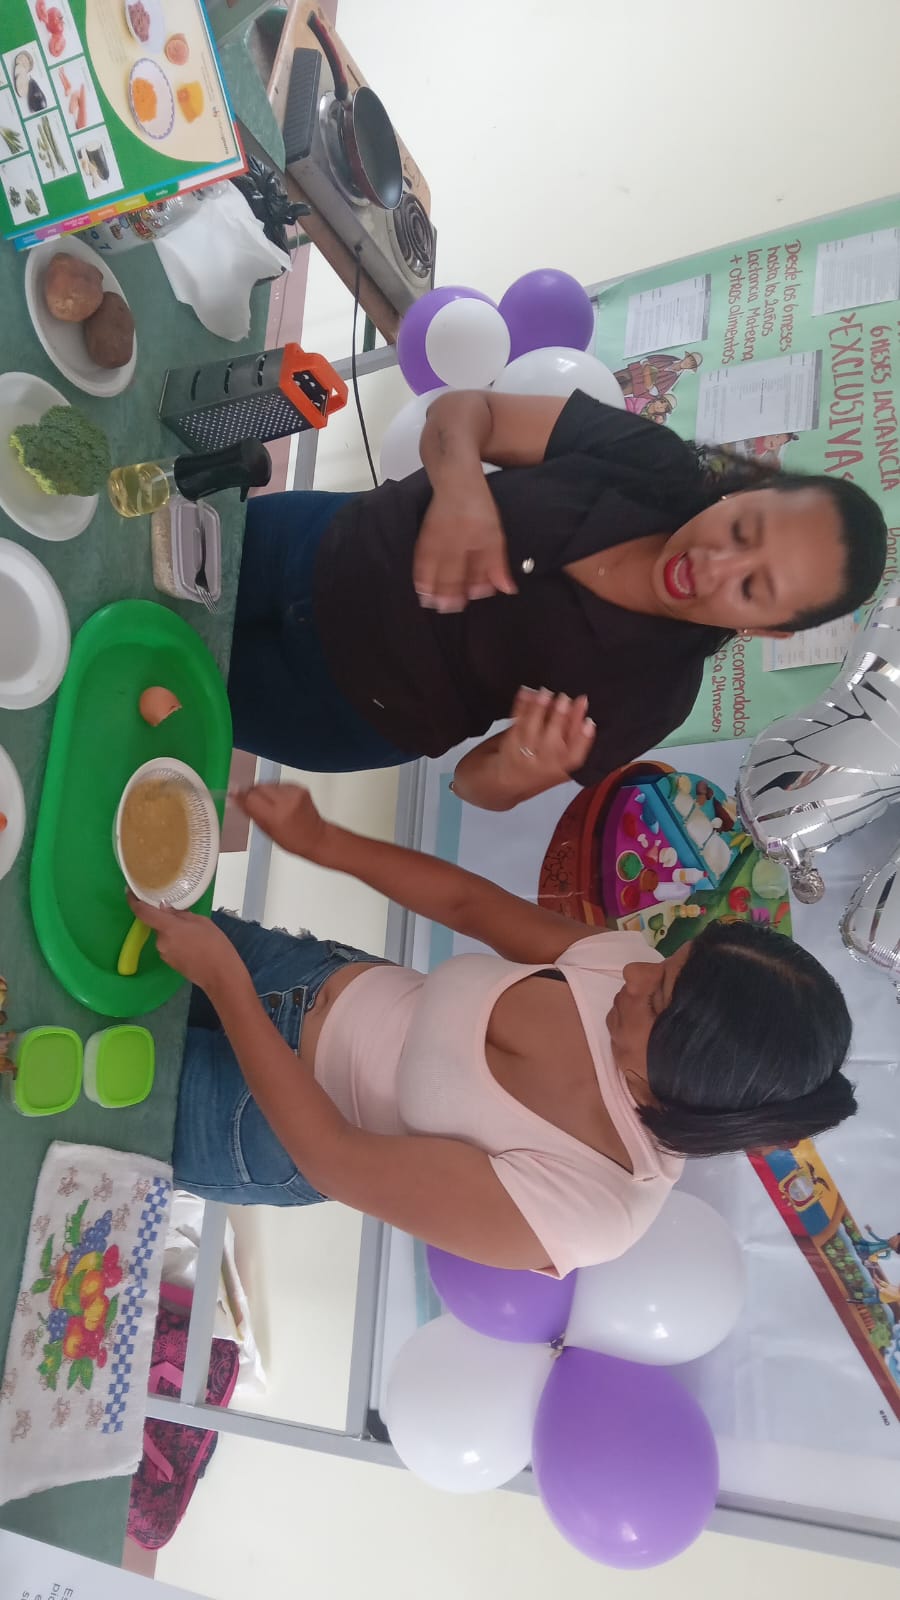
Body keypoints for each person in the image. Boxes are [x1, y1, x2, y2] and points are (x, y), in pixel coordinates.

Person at [132, 783, 857, 1276]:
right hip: (303, 976)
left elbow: (334, 1158)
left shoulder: (593, 1207)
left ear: (683, 1079)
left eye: (658, 996)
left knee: (76, 1069)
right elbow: (468, 904)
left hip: (261, 1124)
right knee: (105, 921)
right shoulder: (626, 971)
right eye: (669, 964)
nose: (637, 971)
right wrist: (323, 841)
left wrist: (224, 982)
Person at [228, 389, 887, 811]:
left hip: (335, 709)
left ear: (769, 630)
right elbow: (465, 412)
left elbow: (473, 784)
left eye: (751, 589)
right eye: (743, 529)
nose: (713, 565)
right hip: (310, 545)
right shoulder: (649, 460)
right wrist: (461, 491)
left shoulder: (654, 696)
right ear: (746, 492)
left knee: (168, 698)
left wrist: (523, 767)